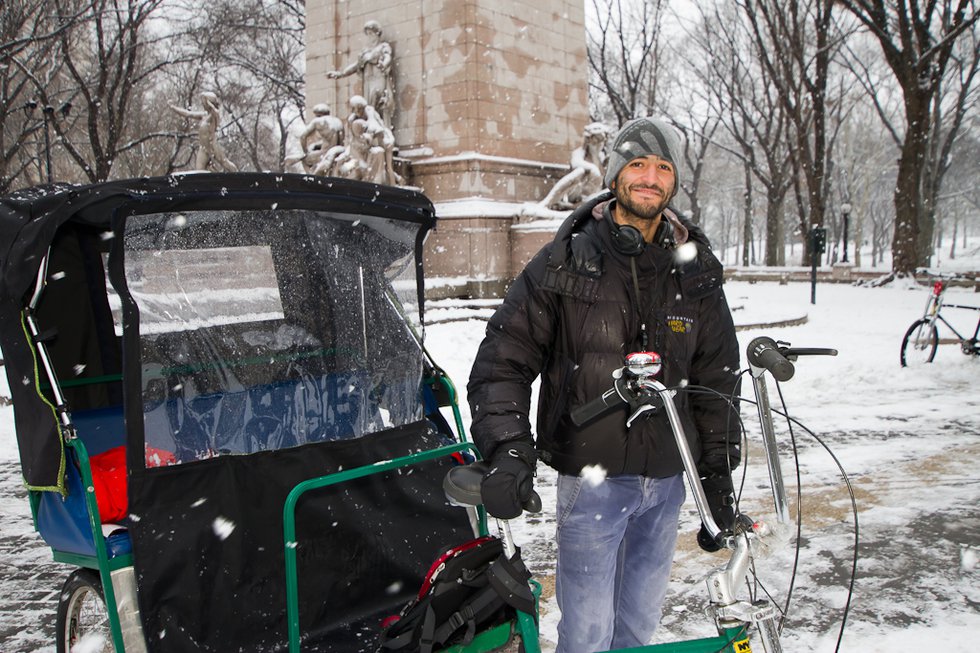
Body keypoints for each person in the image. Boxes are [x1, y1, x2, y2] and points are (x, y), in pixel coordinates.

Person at [467, 117, 742, 653]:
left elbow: (717, 382)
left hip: (666, 483)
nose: (650, 177)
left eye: (663, 167)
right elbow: (503, 360)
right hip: (592, 483)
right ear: (616, 174)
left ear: (674, 182)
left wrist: (716, 477)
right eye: (637, 163)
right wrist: (508, 449)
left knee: (638, 630)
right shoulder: (567, 261)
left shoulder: (696, 271)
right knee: (588, 635)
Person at [327, 20, 395, 128]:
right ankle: (370, 131)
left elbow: (388, 57)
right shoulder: (365, 52)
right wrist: (340, 74)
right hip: (367, 83)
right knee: (367, 107)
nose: (369, 36)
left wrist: (384, 64)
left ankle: (378, 131)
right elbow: (355, 66)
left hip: (378, 80)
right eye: (367, 34)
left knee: (374, 101)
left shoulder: (383, 47)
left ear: (377, 34)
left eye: (371, 33)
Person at [539, 121, 610, 210]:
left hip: (595, 197)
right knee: (580, 171)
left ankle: (573, 207)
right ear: (589, 140)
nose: (599, 143)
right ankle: (548, 202)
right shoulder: (579, 153)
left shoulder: (603, 158)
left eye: (601, 139)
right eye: (596, 139)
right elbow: (576, 163)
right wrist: (593, 168)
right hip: (577, 194)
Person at [170, 92, 238, 172]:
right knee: (199, 169)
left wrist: (209, 102)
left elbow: (215, 111)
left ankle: (237, 174)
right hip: (203, 147)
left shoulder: (214, 115)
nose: (203, 105)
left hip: (212, 145)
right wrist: (173, 107)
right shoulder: (204, 115)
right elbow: (188, 114)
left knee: (224, 161)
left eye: (204, 103)